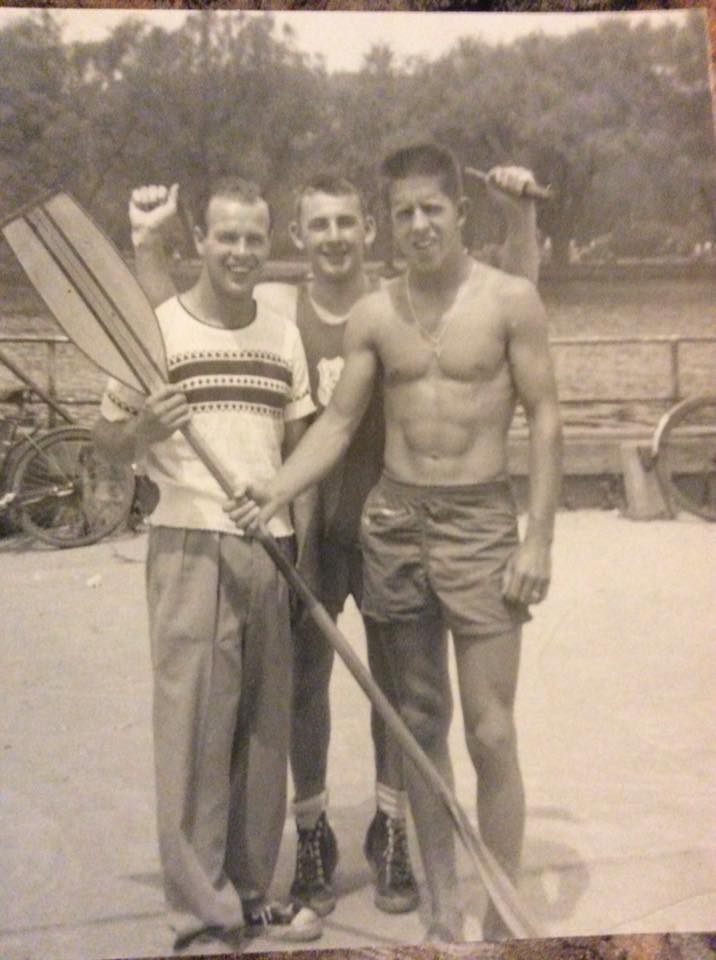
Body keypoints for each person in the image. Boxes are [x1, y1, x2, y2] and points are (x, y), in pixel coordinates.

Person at [128, 164, 541, 921]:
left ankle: (392, 829)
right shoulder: (283, 307)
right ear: (299, 234)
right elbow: (172, 319)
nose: (333, 236)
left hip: (388, 528)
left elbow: (509, 300)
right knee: (304, 692)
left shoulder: (400, 292)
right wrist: (150, 243)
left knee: (402, 701)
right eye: (317, 224)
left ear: (369, 229)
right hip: (312, 525)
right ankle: (312, 829)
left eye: (347, 222)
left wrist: (519, 221)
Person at [226, 143, 563, 943]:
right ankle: (445, 915)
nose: (418, 225)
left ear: (458, 213)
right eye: (404, 212)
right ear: (392, 221)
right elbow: (338, 424)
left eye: (432, 210)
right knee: (418, 724)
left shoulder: (510, 299)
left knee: (491, 730)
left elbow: (546, 417)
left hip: (482, 526)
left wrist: (538, 539)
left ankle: (505, 915)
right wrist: (275, 487)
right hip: (395, 525)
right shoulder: (377, 313)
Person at [92, 177, 323, 949]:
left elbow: (297, 454)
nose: (241, 252)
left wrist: (301, 553)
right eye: (227, 236)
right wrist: (140, 427)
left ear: (268, 244)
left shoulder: (282, 335)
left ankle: (254, 894)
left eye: (255, 239)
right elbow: (108, 447)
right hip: (189, 541)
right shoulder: (153, 331)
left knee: (262, 735)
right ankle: (199, 915)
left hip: (271, 546)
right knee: (194, 732)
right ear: (200, 241)